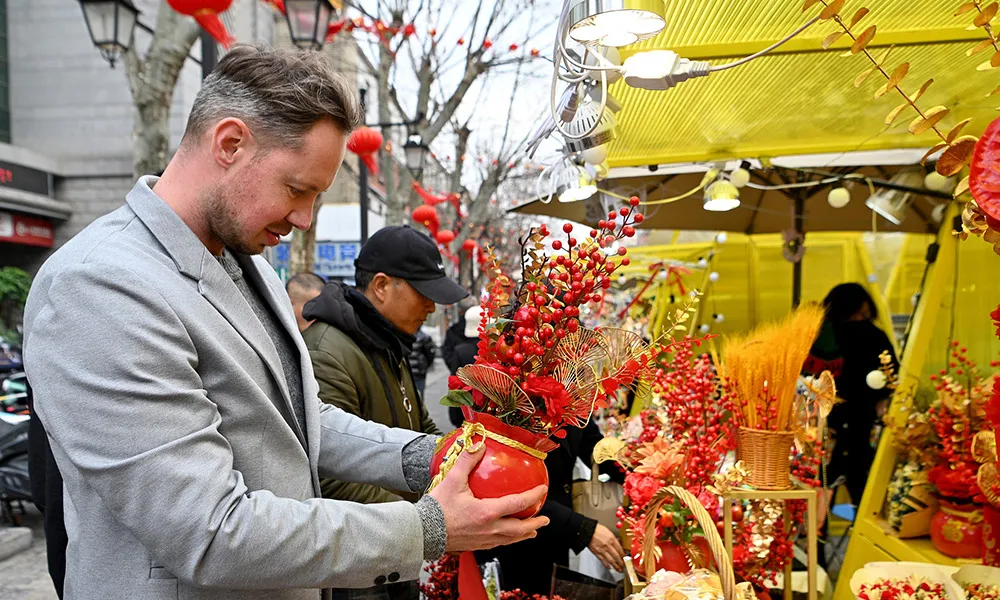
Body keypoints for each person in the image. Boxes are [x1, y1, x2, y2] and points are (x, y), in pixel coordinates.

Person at [21, 45, 546, 600]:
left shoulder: (248, 264)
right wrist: (428, 528)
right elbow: (209, 532)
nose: (305, 219)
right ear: (230, 143)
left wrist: (430, 456)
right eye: (298, 189)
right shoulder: (99, 284)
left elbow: (299, 420)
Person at [301, 225, 464, 599]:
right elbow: (329, 473)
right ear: (381, 286)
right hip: (356, 567)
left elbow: (419, 423)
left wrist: (461, 460)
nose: (431, 307)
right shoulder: (327, 352)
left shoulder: (387, 340)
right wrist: (424, 520)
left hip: (394, 551)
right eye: (423, 293)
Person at [476, 420, 626, 595]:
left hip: (554, 538)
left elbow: (592, 444)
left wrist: (636, 472)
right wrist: (580, 528)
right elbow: (506, 488)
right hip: (513, 542)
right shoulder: (504, 409)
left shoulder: (574, 405)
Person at [805, 283, 899, 506]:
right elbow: (892, 377)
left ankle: (818, 527)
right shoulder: (874, 335)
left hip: (825, 424)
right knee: (863, 486)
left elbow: (804, 379)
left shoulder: (817, 336)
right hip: (863, 420)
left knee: (821, 484)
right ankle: (861, 525)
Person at [444, 305, 483, 428]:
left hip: (466, 414)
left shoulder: (461, 351)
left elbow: (456, 386)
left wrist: (455, 416)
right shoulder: (496, 350)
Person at [408, 330, 437, 398]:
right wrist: (424, 366)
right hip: (419, 373)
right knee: (419, 398)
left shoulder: (402, 334)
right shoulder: (424, 337)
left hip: (408, 372)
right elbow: (430, 355)